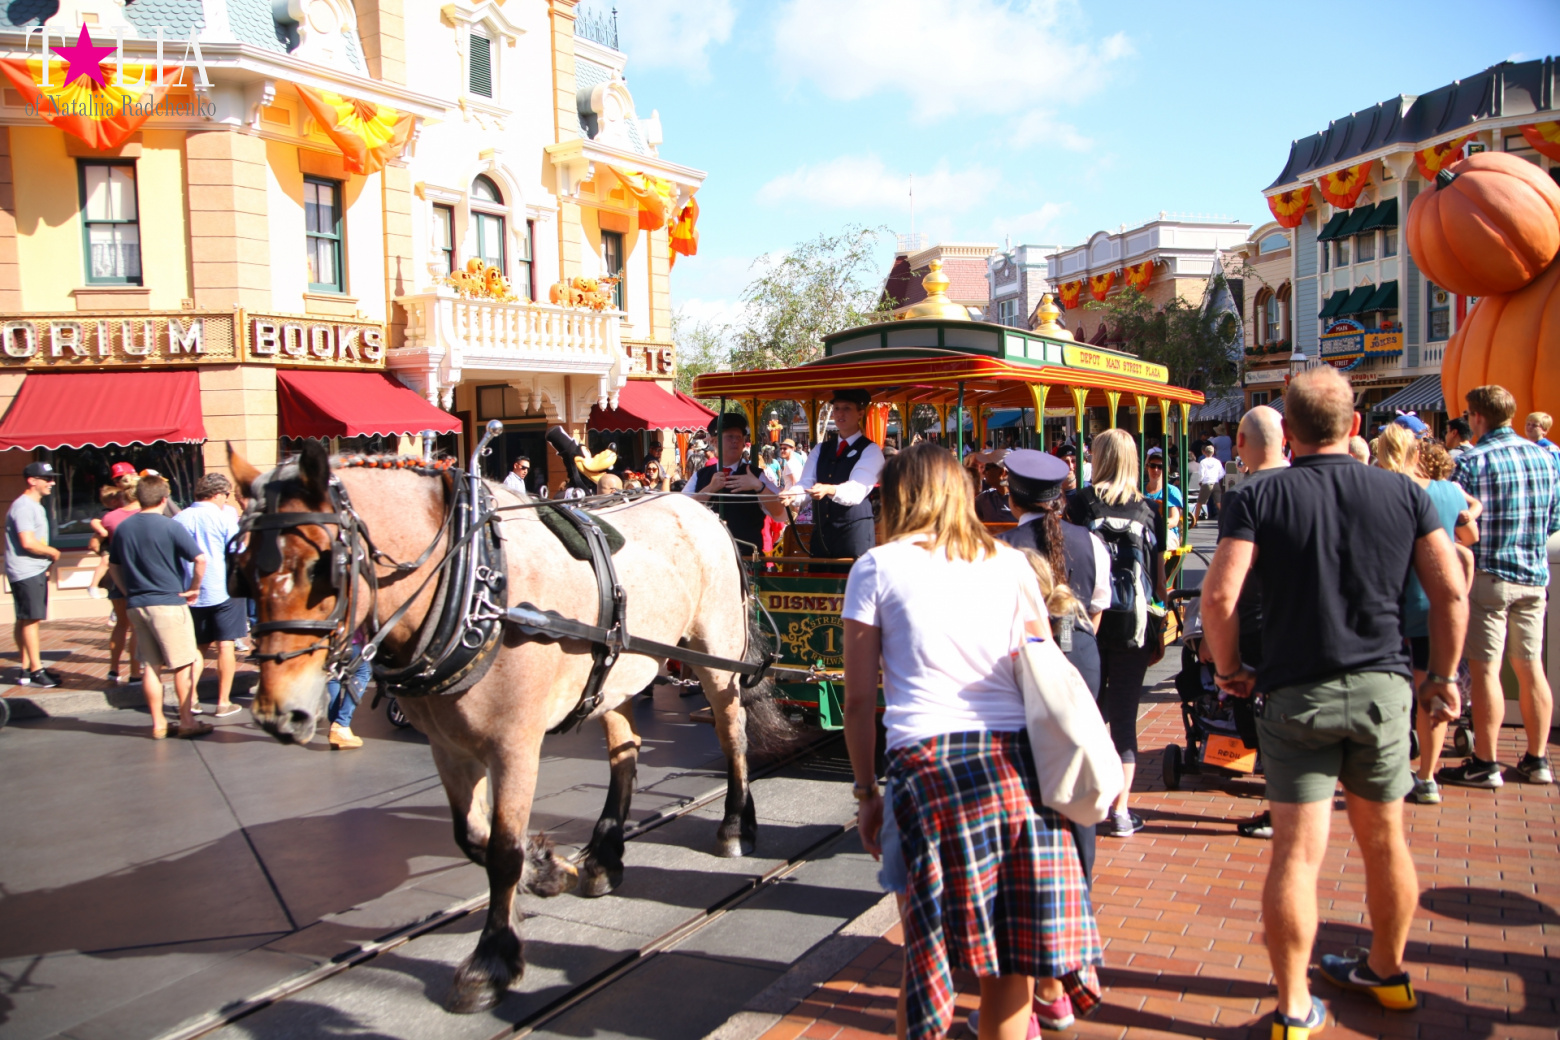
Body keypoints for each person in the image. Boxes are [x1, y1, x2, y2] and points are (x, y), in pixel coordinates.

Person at [1200, 366, 1466, 1035]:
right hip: (1382, 689)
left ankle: (1293, 1008)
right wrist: (1444, 678)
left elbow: (1222, 597)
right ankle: (1387, 969)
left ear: (1285, 433)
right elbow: (1452, 592)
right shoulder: (1406, 495)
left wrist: (1231, 669)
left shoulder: (1259, 497)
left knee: (1295, 854)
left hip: (1294, 692)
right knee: (1386, 843)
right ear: (1355, 426)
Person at [843, 441, 1101, 1039]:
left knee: (924, 953)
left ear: (899, 497)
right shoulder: (1010, 564)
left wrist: (865, 792)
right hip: (1017, 769)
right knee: (1010, 960)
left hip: (926, 768)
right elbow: (1042, 664)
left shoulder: (877, 567)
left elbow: (859, 700)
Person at [1440, 385, 1560, 788]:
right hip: (1534, 575)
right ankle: (1537, 758)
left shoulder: (1474, 462)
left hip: (1490, 574)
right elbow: (1553, 520)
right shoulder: (1546, 457)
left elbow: (1460, 525)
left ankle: (1486, 763)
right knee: (1530, 668)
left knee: (1486, 668)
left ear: (1476, 417)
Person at [999, 448, 1111, 881]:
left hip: (1025, 666)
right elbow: (1099, 607)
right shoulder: (1091, 542)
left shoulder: (1002, 549)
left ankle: (1038, 870)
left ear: (1013, 497)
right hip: (1081, 657)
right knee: (1077, 759)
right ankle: (1081, 869)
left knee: (1032, 766)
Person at [1365, 431, 1479, 806]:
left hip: (1391, 603)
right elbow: (1468, 536)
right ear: (1419, 452)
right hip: (1434, 602)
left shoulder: (1381, 492)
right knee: (1432, 692)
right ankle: (1427, 776)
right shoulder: (1448, 491)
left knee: (1392, 694)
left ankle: (1393, 769)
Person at [1065, 429, 1162, 837]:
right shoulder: (1148, 509)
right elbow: (1157, 579)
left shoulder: (1079, 504)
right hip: (1134, 625)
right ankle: (1121, 811)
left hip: (1087, 621)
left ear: (1098, 458)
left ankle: (1084, 801)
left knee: (1085, 714)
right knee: (1124, 718)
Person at [1218, 405, 1289, 841]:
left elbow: (1227, 583)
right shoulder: (1310, 484)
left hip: (1256, 620)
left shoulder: (1245, 495)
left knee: (1262, 716)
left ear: (1240, 443)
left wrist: (1225, 661)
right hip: (1303, 621)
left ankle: (1279, 803)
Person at [109, 475, 212, 739]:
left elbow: (114, 566)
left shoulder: (123, 528)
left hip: (137, 603)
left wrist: (126, 591)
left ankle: (158, 724)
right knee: (183, 664)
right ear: (164, 499)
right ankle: (187, 720)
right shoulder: (170, 526)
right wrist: (195, 588)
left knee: (150, 666)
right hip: (168, 602)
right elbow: (200, 559)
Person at [784, 388, 884, 561]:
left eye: (846, 408)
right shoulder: (821, 449)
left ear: (860, 413)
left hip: (853, 536)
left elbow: (857, 489)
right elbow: (807, 481)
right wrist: (793, 494)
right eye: (836, 408)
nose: (840, 414)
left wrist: (830, 489)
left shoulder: (871, 450)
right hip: (822, 534)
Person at [174, 473, 245, 718]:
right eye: (226, 495)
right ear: (218, 494)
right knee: (225, 645)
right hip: (224, 588)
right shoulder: (222, 517)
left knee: (197, 647)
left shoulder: (179, 518)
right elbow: (239, 549)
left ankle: (191, 699)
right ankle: (223, 702)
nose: (227, 500)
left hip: (191, 591)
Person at [684, 412, 786, 550]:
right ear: (714, 441)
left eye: (739, 437)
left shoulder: (756, 475)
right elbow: (681, 511)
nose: (735, 441)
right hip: (708, 558)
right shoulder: (700, 475)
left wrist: (758, 486)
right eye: (729, 436)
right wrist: (710, 489)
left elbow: (781, 514)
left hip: (746, 559)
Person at [7, 461, 62, 687]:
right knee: (31, 620)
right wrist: (53, 552)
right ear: (32, 481)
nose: (52, 482)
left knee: (24, 618)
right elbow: (28, 542)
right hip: (26, 570)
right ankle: (37, 670)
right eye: (47, 479)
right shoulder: (24, 507)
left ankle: (26, 668)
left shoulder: (34, 505)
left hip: (31, 570)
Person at [326, 630, 372, 749]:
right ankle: (341, 723)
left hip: (329, 641)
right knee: (363, 671)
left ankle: (334, 729)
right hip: (350, 639)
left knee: (333, 677)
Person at [1143, 447, 1183, 550]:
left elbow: (1174, 520)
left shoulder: (1171, 491)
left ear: (1167, 469)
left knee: (1160, 541)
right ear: (1148, 467)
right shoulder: (1139, 489)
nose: (1155, 470)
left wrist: (1153, 526)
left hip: (1166, 531)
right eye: (1152, 466)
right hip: (1142, 530)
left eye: (1160, 467)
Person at [974, 452, 1016, 523]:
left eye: (987, 468)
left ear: (1002, 473)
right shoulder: (984, 499)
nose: (983, 472)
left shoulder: (1023, 501)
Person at [1194, 444, 1224, 525]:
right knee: (1218, 502)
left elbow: (1201, 473)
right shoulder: (1217, 461)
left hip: (1207, 483)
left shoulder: (1203, 462)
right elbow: (1222, 473)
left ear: (1204, 452)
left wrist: (1200, 481)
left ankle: (1195, 520)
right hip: (1216, 482)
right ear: (1213, 452)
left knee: (1200, 502)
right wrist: (1217, 478)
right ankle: (1225, 519)